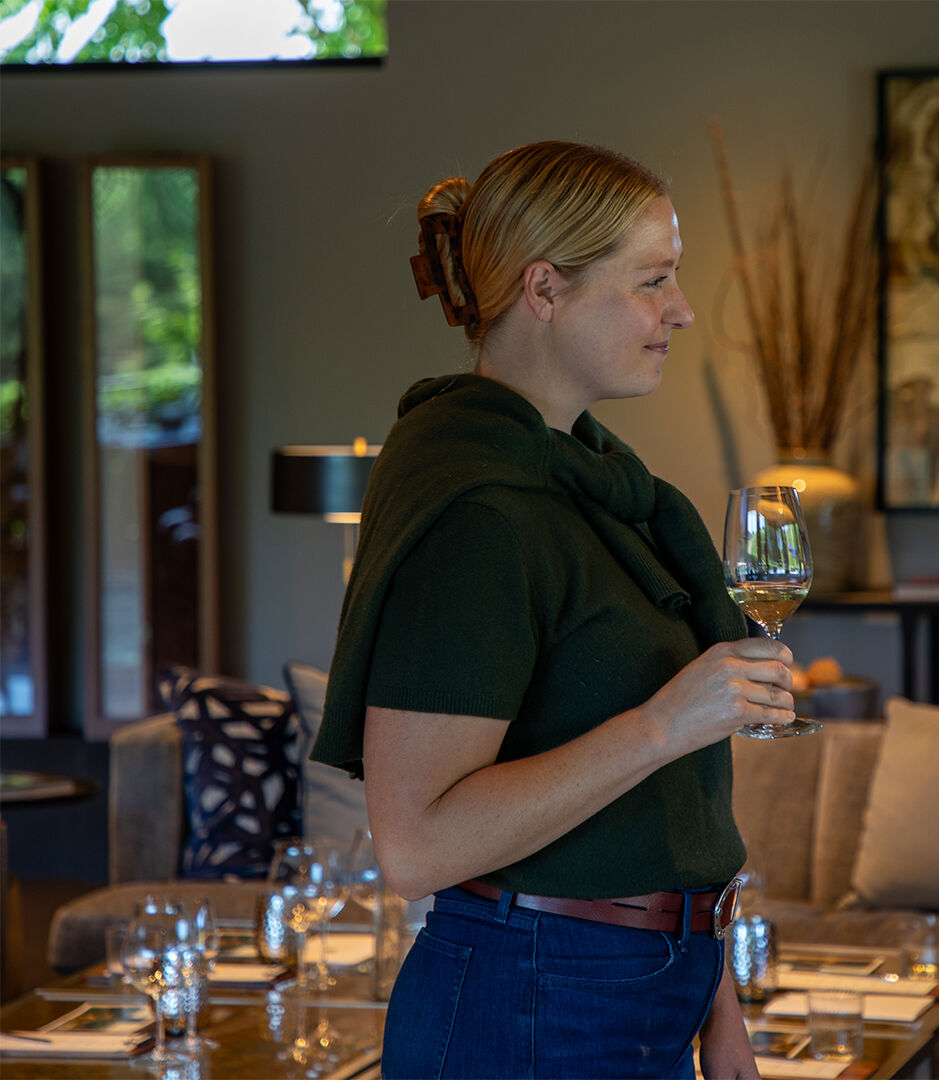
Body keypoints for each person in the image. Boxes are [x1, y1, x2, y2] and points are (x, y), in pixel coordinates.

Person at [311, 140, 796, 1079]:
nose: (682, 311)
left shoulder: (606, 491)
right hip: (530, 1000)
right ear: (544, 289)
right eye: (653, 280)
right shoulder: (479, 515)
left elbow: (661, 813)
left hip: (644, 986)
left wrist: (715, 996)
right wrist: (662, 723)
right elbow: (416, 846)